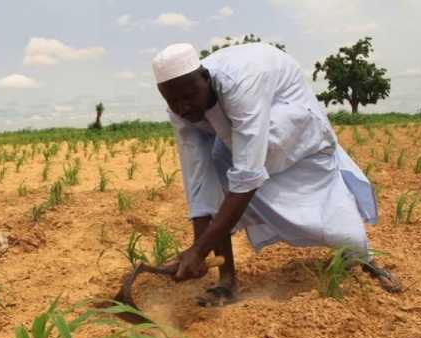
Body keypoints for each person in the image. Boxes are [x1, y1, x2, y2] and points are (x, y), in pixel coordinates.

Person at [151, 43, 401, 306]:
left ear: (205, 77)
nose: (183, 107)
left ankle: (363, 256)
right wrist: (198, 248)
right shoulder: (180, 111)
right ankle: (226, 282)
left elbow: (247, 175)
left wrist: (199, 250)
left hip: (292, 127)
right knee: (217, 162)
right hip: (242, 142)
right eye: (173, 101)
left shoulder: (241, 83)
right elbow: (198, 179)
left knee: (340, 228)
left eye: (190, 95)